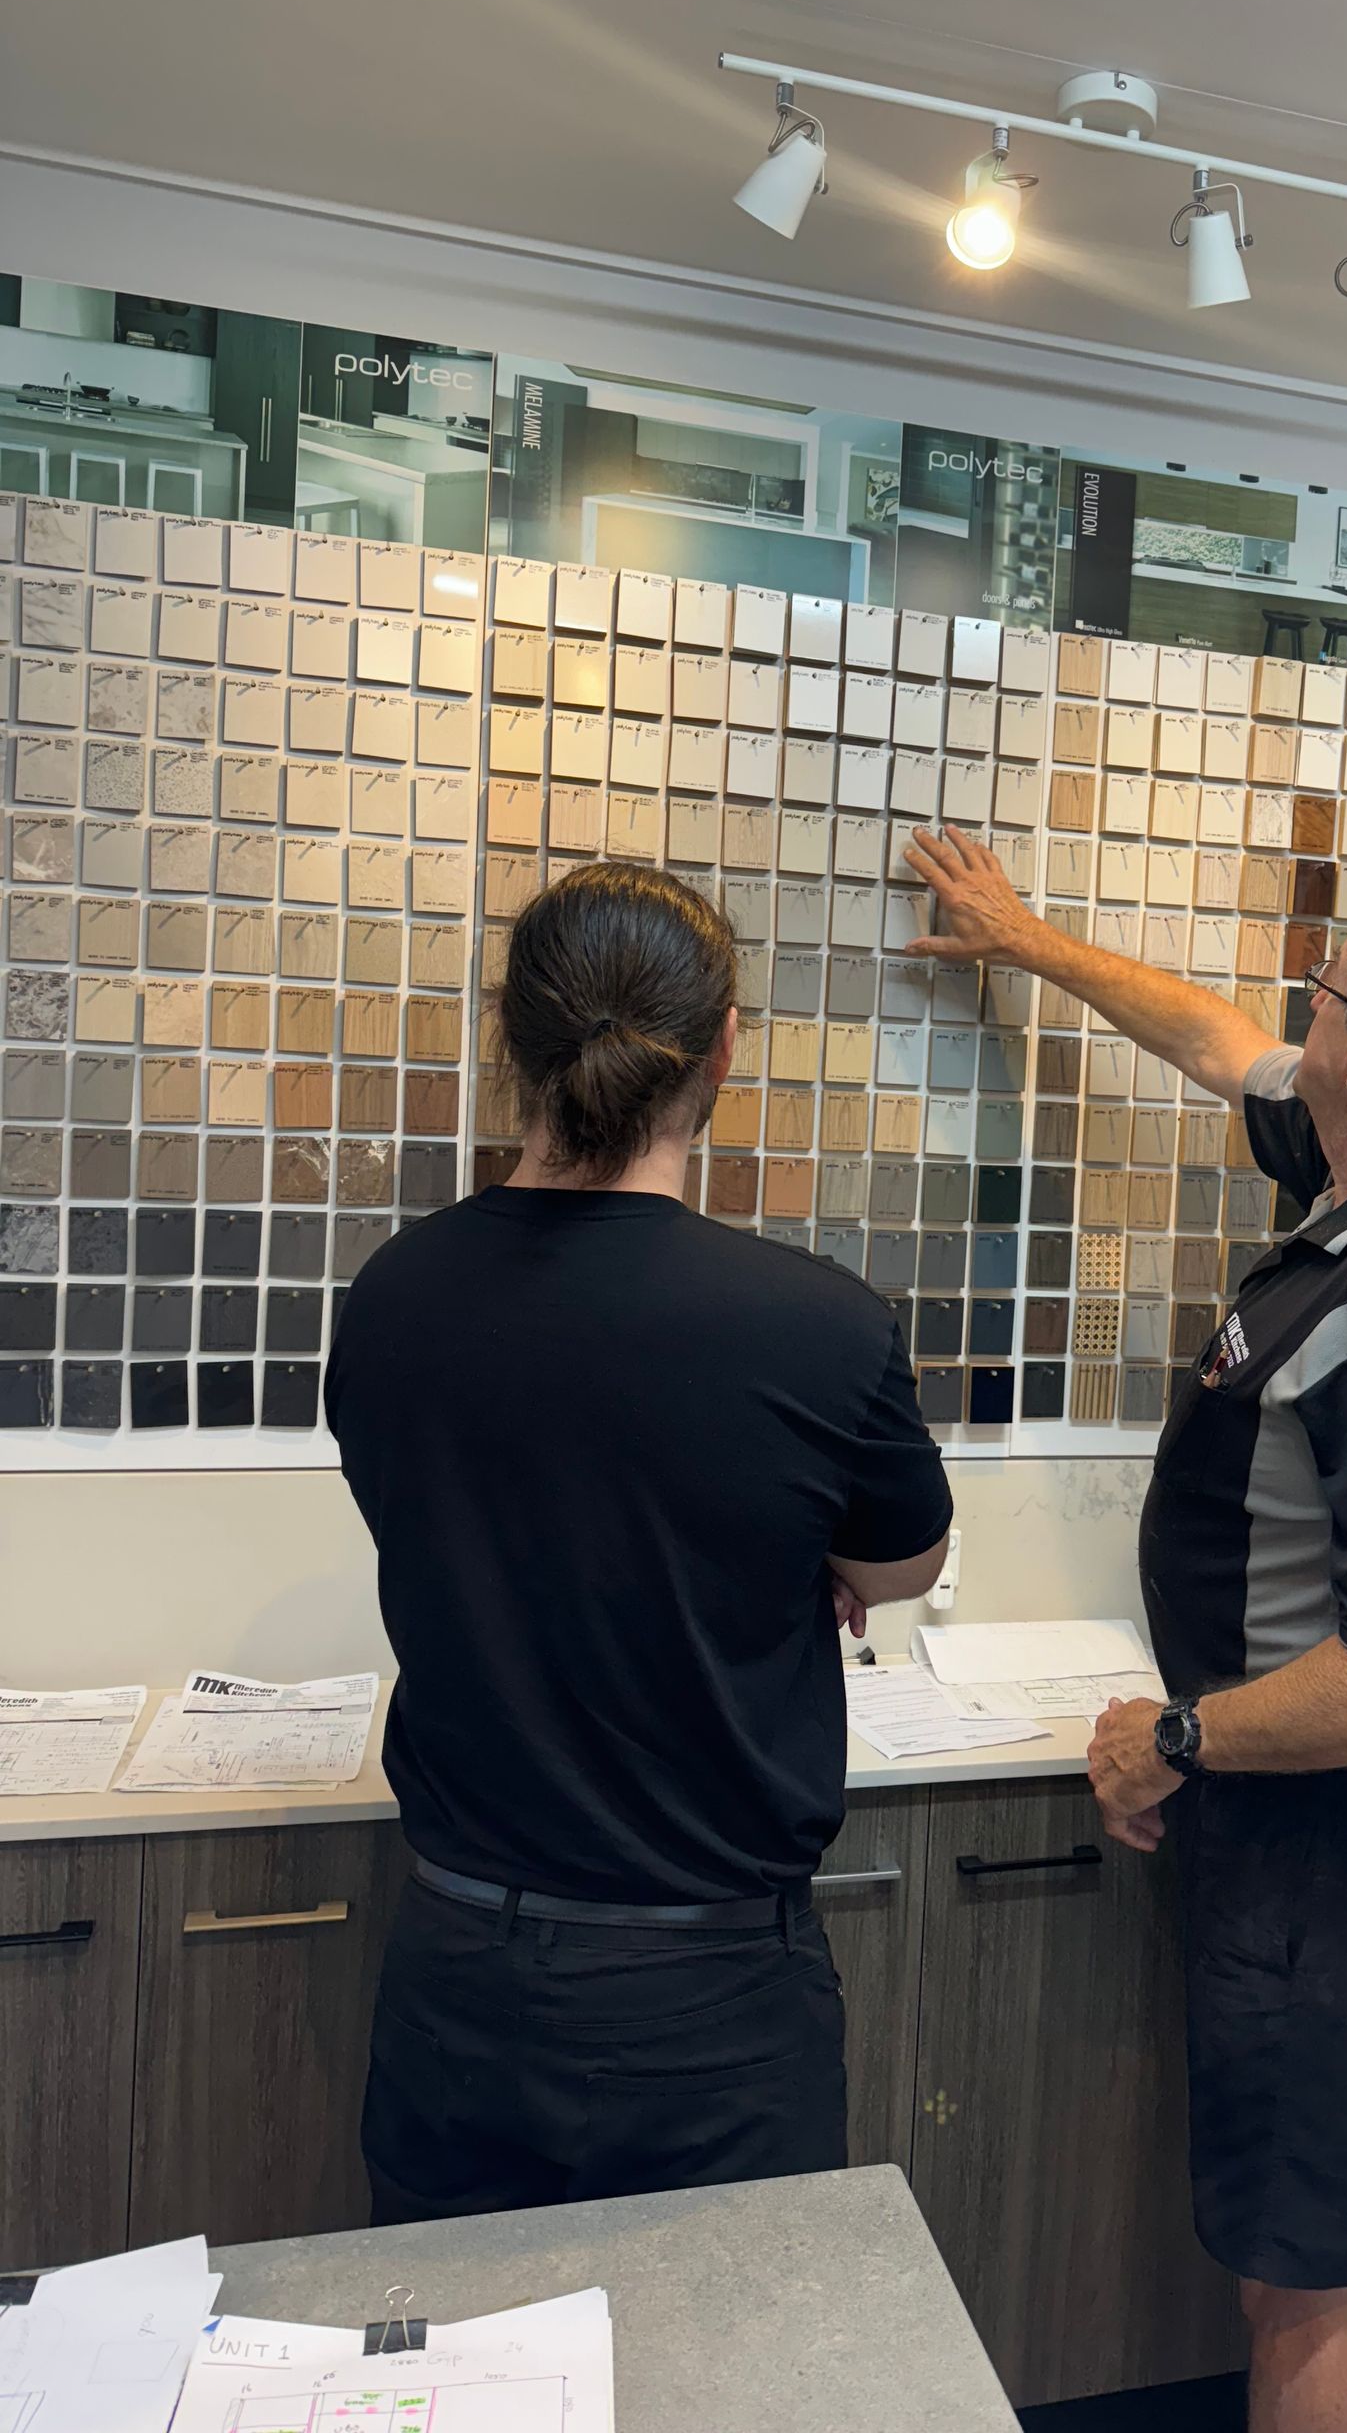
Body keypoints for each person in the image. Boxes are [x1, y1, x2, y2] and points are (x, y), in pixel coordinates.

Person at [908, 828, 1347, 2433]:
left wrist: (1177, 1737)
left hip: (1346, 1846)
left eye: (1327, 983)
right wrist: (1026, 940)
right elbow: (1217, 1040)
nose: (1302, 997)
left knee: (1302, 2278)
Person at [327, 860, 952, 2224]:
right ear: (724, 1048)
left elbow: (441, 1517)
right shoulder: (818, 1326)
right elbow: (905, 1563)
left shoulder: (393, 1300)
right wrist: (792, 1565)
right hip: (713, 2008)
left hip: (460, 1982)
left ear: (515, 1038)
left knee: (461, 2389)